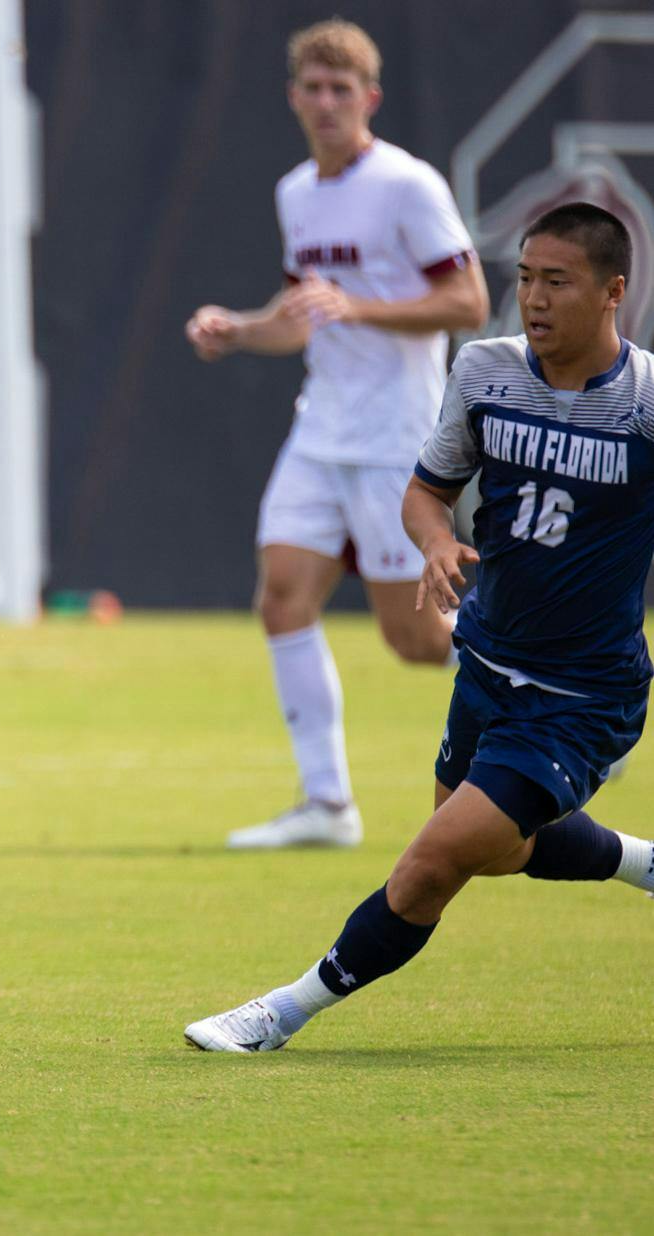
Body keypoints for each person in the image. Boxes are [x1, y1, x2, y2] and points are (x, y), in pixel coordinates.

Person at [185, 203, 654, 1052]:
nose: (535, 299)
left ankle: (278, 1013)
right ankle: (637, 861)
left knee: (429, 865)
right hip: (486, 665)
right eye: (525, 278)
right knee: (499, 851)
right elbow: (425, 491)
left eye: (559, 281)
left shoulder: (647, 405)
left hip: (582, 698)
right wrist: (436, 543)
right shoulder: (484, 372)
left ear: (614, 291)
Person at [184, 19, 489, 848]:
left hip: (396, 437)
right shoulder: (296, 194)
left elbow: (470, 303)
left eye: (341, 89)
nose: (326, 102)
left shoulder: (406, 184)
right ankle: (326, 805)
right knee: (282, 595)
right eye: (312, 88)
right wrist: (240, 329)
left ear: (370, 99)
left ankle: (546, 690)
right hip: (320, 431)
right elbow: (304, 320)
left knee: (419, 640)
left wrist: (361, 306)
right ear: (293, 97)